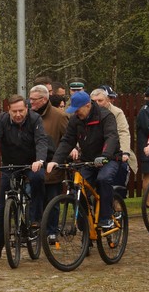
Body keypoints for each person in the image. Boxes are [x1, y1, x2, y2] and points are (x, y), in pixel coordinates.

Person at [0, 94, 49, 260]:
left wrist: (39, 160)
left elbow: (41, 141)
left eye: (21, 111)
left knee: (38, 179)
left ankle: (35, 219)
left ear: (26, 108)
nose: (18, 115)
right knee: (3, 206)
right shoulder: (2, 120)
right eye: (14, 111)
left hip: (31, 163)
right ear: (8, 111)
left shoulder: (35, 119)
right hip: (10, 165)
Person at [47, 91, 121, 230]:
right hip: (88, 160)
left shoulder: (105, 116)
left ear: (88, 105)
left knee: (103, 179)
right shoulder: (76, 120)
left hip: (109, 158)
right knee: (78, 189)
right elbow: (67, 141)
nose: (76, 113)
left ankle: (106, 217)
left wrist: (105, 156)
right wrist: (56, 160)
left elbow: (111, 137)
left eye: (78, 110)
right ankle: (85, 227)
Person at [28, 84, 70, 241]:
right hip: (33, 167)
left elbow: (68, 139)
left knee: (52, 201)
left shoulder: (59, 117)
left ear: (44, 99)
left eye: (34, 99)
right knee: (34, 199)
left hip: (52, 166)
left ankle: (52, 231)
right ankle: (35, 229)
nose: (30, 102)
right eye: (30, 99)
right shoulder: (29, 115)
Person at [91, 88, 138, 193]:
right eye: (94, 101)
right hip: (96, 151)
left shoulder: (117, 112)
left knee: (120, 170)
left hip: (115, 150)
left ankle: (117, 200)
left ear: (107, 100)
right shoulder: (89, 113)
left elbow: (123, 132)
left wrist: (125, 151)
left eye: (100, 100)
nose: (97, 104)